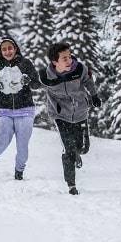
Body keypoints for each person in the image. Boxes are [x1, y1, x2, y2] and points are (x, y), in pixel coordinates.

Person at [38, 42, 101, 195]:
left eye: (69, 56)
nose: (69, 60)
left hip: (80, 112)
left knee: (83, 148)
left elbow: (87, 81)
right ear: (55, 62)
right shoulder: (46, 76)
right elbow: (34, 83)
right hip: (60, 115)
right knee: (68, 149)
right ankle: (71, 185)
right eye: (64, 58)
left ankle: (77, 153)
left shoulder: (79, 69)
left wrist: (94, 95)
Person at [0, 37, 41, 180]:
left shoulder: (25, 64)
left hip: (25, 109)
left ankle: (19, 171)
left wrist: (28, 80)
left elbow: (37, 84)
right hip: (5, 110)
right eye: (4, 49)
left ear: (15, 48)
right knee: (1, 139)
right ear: (0, 51)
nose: (7, 51)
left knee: (22, 144)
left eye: (10, 48)